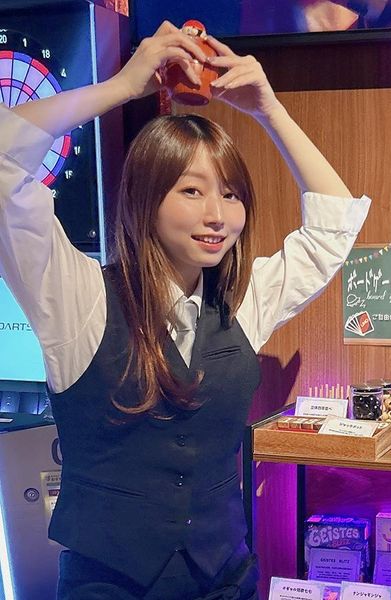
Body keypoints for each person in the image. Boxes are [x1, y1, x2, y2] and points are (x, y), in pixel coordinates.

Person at [0, 21, 371, 600]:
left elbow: (333, 227)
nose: (217, 215)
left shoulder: (244, 299)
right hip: (109, 587)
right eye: (192, 191)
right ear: (146, 199)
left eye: (230, 193)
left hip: (225, 578)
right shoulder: (77, 297)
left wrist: (269, 109)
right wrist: (121, 87)